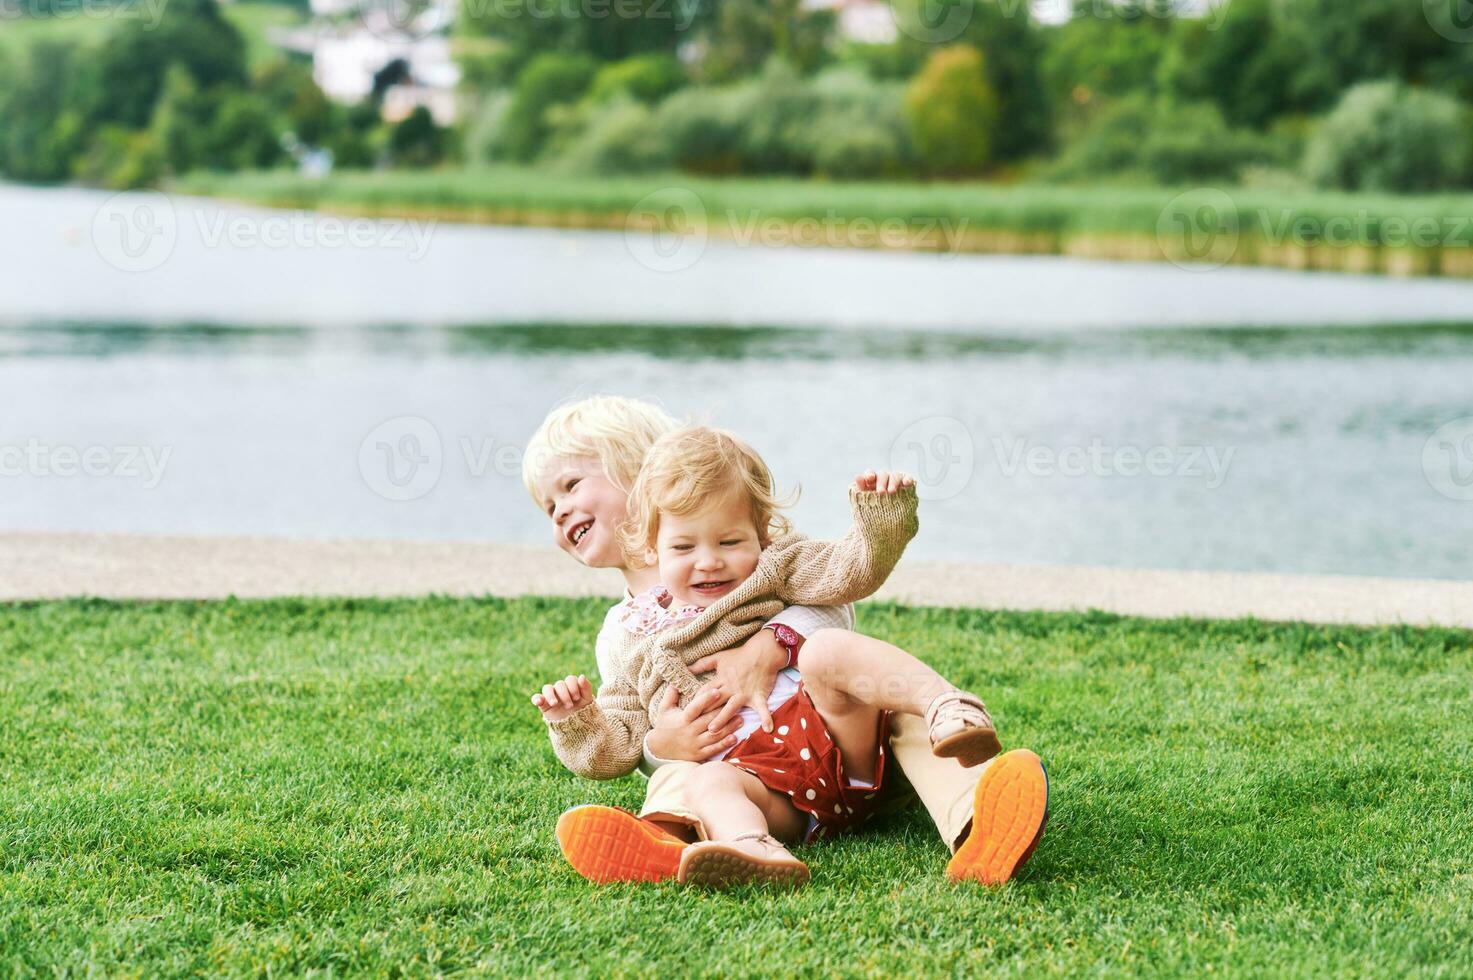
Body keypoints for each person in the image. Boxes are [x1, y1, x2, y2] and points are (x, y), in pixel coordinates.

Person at [522, 396, 1048, 886]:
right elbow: (625, 733)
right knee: (691, 778)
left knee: (867, 686)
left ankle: (974, 809)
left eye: (570, 486)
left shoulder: (762, 564)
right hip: (765, 783)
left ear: (643, 478)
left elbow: (840, 590)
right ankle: (697, 844)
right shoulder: (626, 634)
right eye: (549, 506)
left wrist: (769, 645)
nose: (560, 511)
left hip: (844, 737)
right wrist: (653, 744)